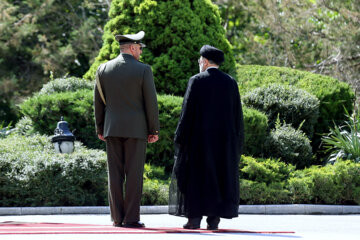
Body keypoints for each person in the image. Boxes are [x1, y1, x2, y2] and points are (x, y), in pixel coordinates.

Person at [169, 45, 244, 230]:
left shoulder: (197, 80)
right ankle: (214, 220)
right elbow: (237, 116)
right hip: (223, 144)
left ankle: (194, 219)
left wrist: (180, 136)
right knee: (219, 177)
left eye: (200, 60)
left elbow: (187, 111)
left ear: (205, 61)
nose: (198, 62)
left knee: (196, 178)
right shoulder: (230, 82)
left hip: (199, 143)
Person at [94, 31, 160, 228]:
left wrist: (100, 127)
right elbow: (151, 102)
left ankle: (116, 218)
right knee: (133, 174)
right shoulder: (143, 70)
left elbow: (98, 103)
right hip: (136, 130)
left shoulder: (103, 69)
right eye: (139, 48)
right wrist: (153, 130)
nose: (140, 51)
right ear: (132, 48)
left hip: (111, 129)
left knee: (114, 174)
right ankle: (131, 218)